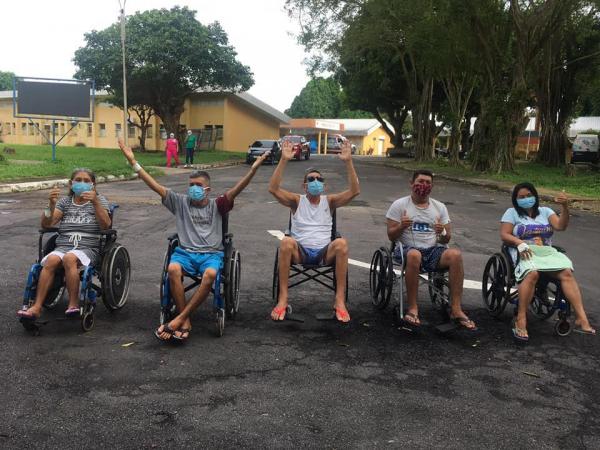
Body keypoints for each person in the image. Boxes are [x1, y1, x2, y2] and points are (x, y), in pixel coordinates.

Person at [117, 139, 270, 341]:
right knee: (172, 270)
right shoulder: (180, 202)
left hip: (211, 254)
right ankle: (185, 319)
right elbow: (155, 185)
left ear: (208, 189)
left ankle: (179, 318)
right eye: (191, 185)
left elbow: (237, 190)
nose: (193, 188)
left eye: (198, 185)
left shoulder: (218, 204)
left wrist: (253, 170)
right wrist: (133, 162)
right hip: (185, 252)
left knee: (210, 275)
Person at [269, 139, 360, 322]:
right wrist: (284, 160)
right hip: (300, 252)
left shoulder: (330, 201)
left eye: (319, 179)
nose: (316, 181)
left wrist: (348, 161)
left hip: (323, 252)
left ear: (324, 185)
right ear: (305, 186)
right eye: (311, 179)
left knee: (341, 244)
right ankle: (283, 299)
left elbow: (354, 191)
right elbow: (273, 188)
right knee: (286, 242)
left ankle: (339, 301)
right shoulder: (296, 200)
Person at [500, 182, 595, 341]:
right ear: (515, 200)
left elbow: (560, 226)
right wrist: (519, 243)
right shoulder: (512, 213)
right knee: (532, 274)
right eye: (521, 197)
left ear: (535, 196)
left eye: (529, 196)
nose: (526, 199)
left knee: (566, 272)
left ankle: (581, 317)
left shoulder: (545, 211)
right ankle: (521, 318)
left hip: (546, 252)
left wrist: (565, 207)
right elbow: (505, 234)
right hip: (523, 251)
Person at [386, 169, 476, 330]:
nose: (424, 185)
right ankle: (413, 308)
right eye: (420, 181)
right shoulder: (399, 205)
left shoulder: (439, 207)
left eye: (428, 183)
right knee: (414, 255)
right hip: (406, 249)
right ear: (412, 183)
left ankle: (456, 309)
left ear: (432, 186)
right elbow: (391, 236)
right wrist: (401, 226)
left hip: (432, 250)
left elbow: (446, 238)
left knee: (455, 254)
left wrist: (441, 232)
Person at [17, 168, 111, 320]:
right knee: (51, 260)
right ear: (71, 183)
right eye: (78, 180)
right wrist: (51, 204)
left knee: (69, 258)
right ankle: (36, 306)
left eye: (86, 181)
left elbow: (106, 225)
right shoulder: (65, 202)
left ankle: (73, 305)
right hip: (64, 245)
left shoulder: (100, 200)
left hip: (87, 247)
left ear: (93, 185)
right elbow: (47, 223)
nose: (82, 183)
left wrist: (95, 202)